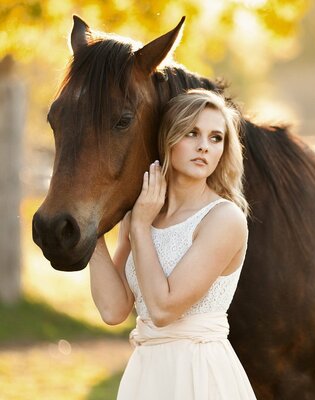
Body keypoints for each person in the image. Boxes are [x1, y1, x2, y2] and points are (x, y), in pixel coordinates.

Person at [89, 89, 256, 399]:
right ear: (167, 138)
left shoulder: (223, 219)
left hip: (199, 374)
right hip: (146, 374)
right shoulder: (142, 213)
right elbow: (114, 310)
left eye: (216, 138)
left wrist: (139, 227)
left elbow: (164, 309)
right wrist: (93, 229)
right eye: (192, 133)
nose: (204, 146)